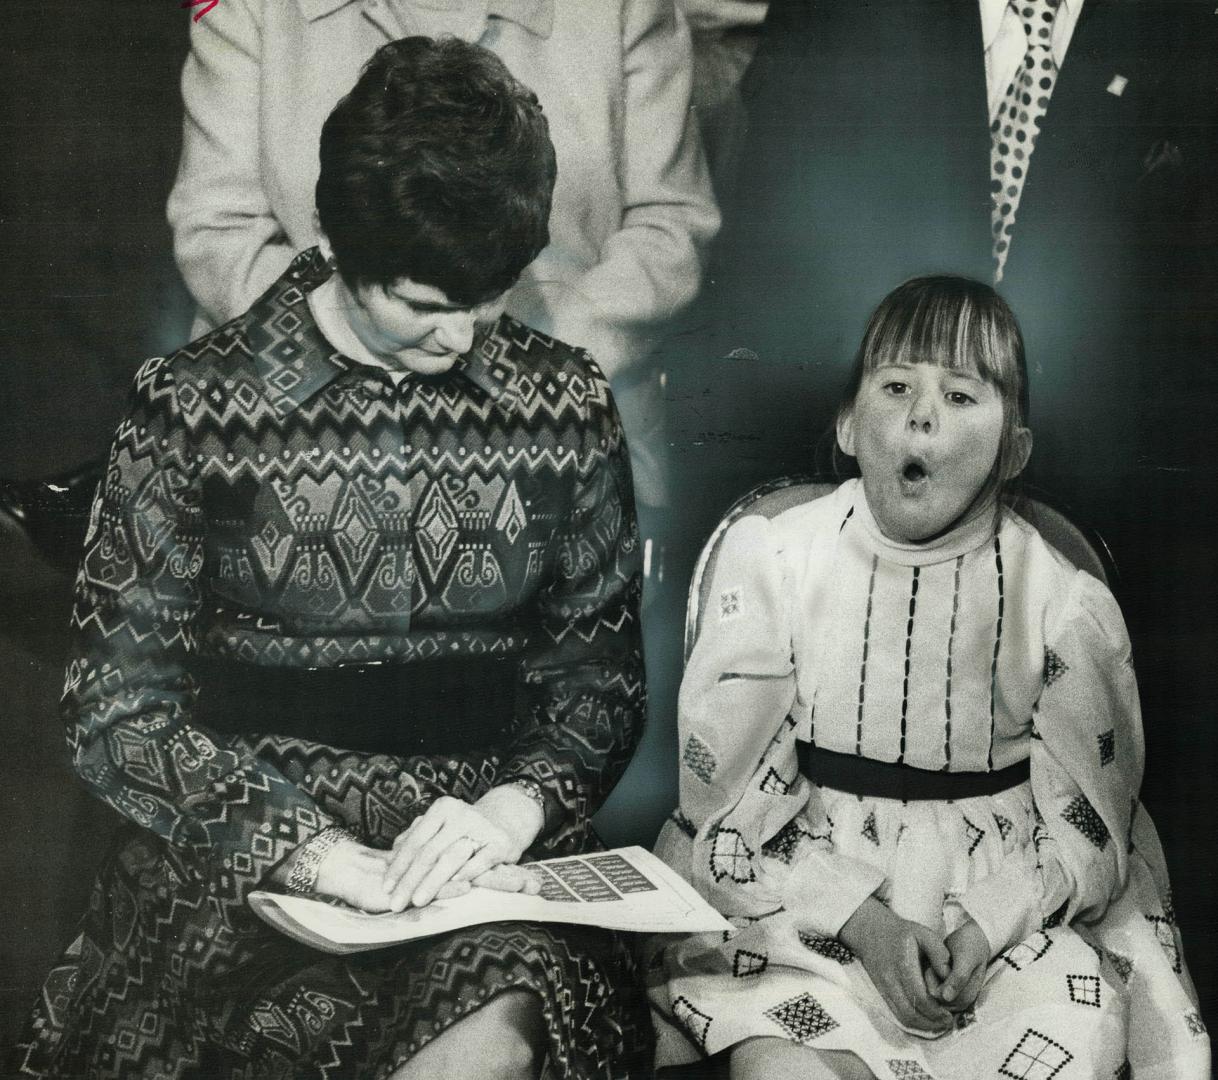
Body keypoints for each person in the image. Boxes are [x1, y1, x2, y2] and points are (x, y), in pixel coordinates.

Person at [12, 37, 651, 1079]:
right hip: (243, 864)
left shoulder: (567, 399)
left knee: (497, 1031)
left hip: (475, 872)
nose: (462, 337)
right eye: (423, 303)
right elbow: (114, 710)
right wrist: (310, 854)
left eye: (487, 299)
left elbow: (598, 687)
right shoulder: (189, 409)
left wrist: (510, 809)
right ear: (339, 239)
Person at [649, 278, 1208, 1079]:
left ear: (1013, 449)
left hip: (1006, 912)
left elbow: (1088, 816)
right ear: (848, 424)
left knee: (1066, 1036)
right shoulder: (777, 561)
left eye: (960, 395)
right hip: (806, 890)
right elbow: (727, 794)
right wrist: (863, 922)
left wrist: (984, 927)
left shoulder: (1059, 603)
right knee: (783, 1067)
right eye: (897, 386)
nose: (923, 416)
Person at [165, 0, 719, 511]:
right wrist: (368, 361)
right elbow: (220, 232)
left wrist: (518, 374)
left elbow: (669, 229)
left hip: (559, 433)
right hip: (297, 442)